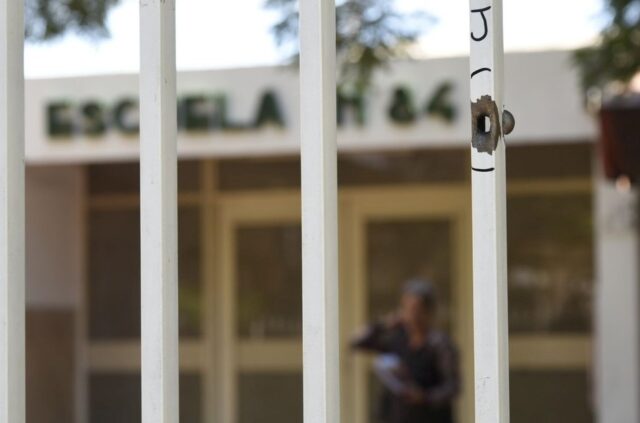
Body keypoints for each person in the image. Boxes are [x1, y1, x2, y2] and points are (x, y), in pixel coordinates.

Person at [352, 278, 459, 423]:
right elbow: (358, 342)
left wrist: (425, 396)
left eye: (414, 309)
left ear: (427, 312)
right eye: (405, 308)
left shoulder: (439, 344)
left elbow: (452, 386)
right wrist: (385, 323)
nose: (409, 315)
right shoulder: (397, 340)